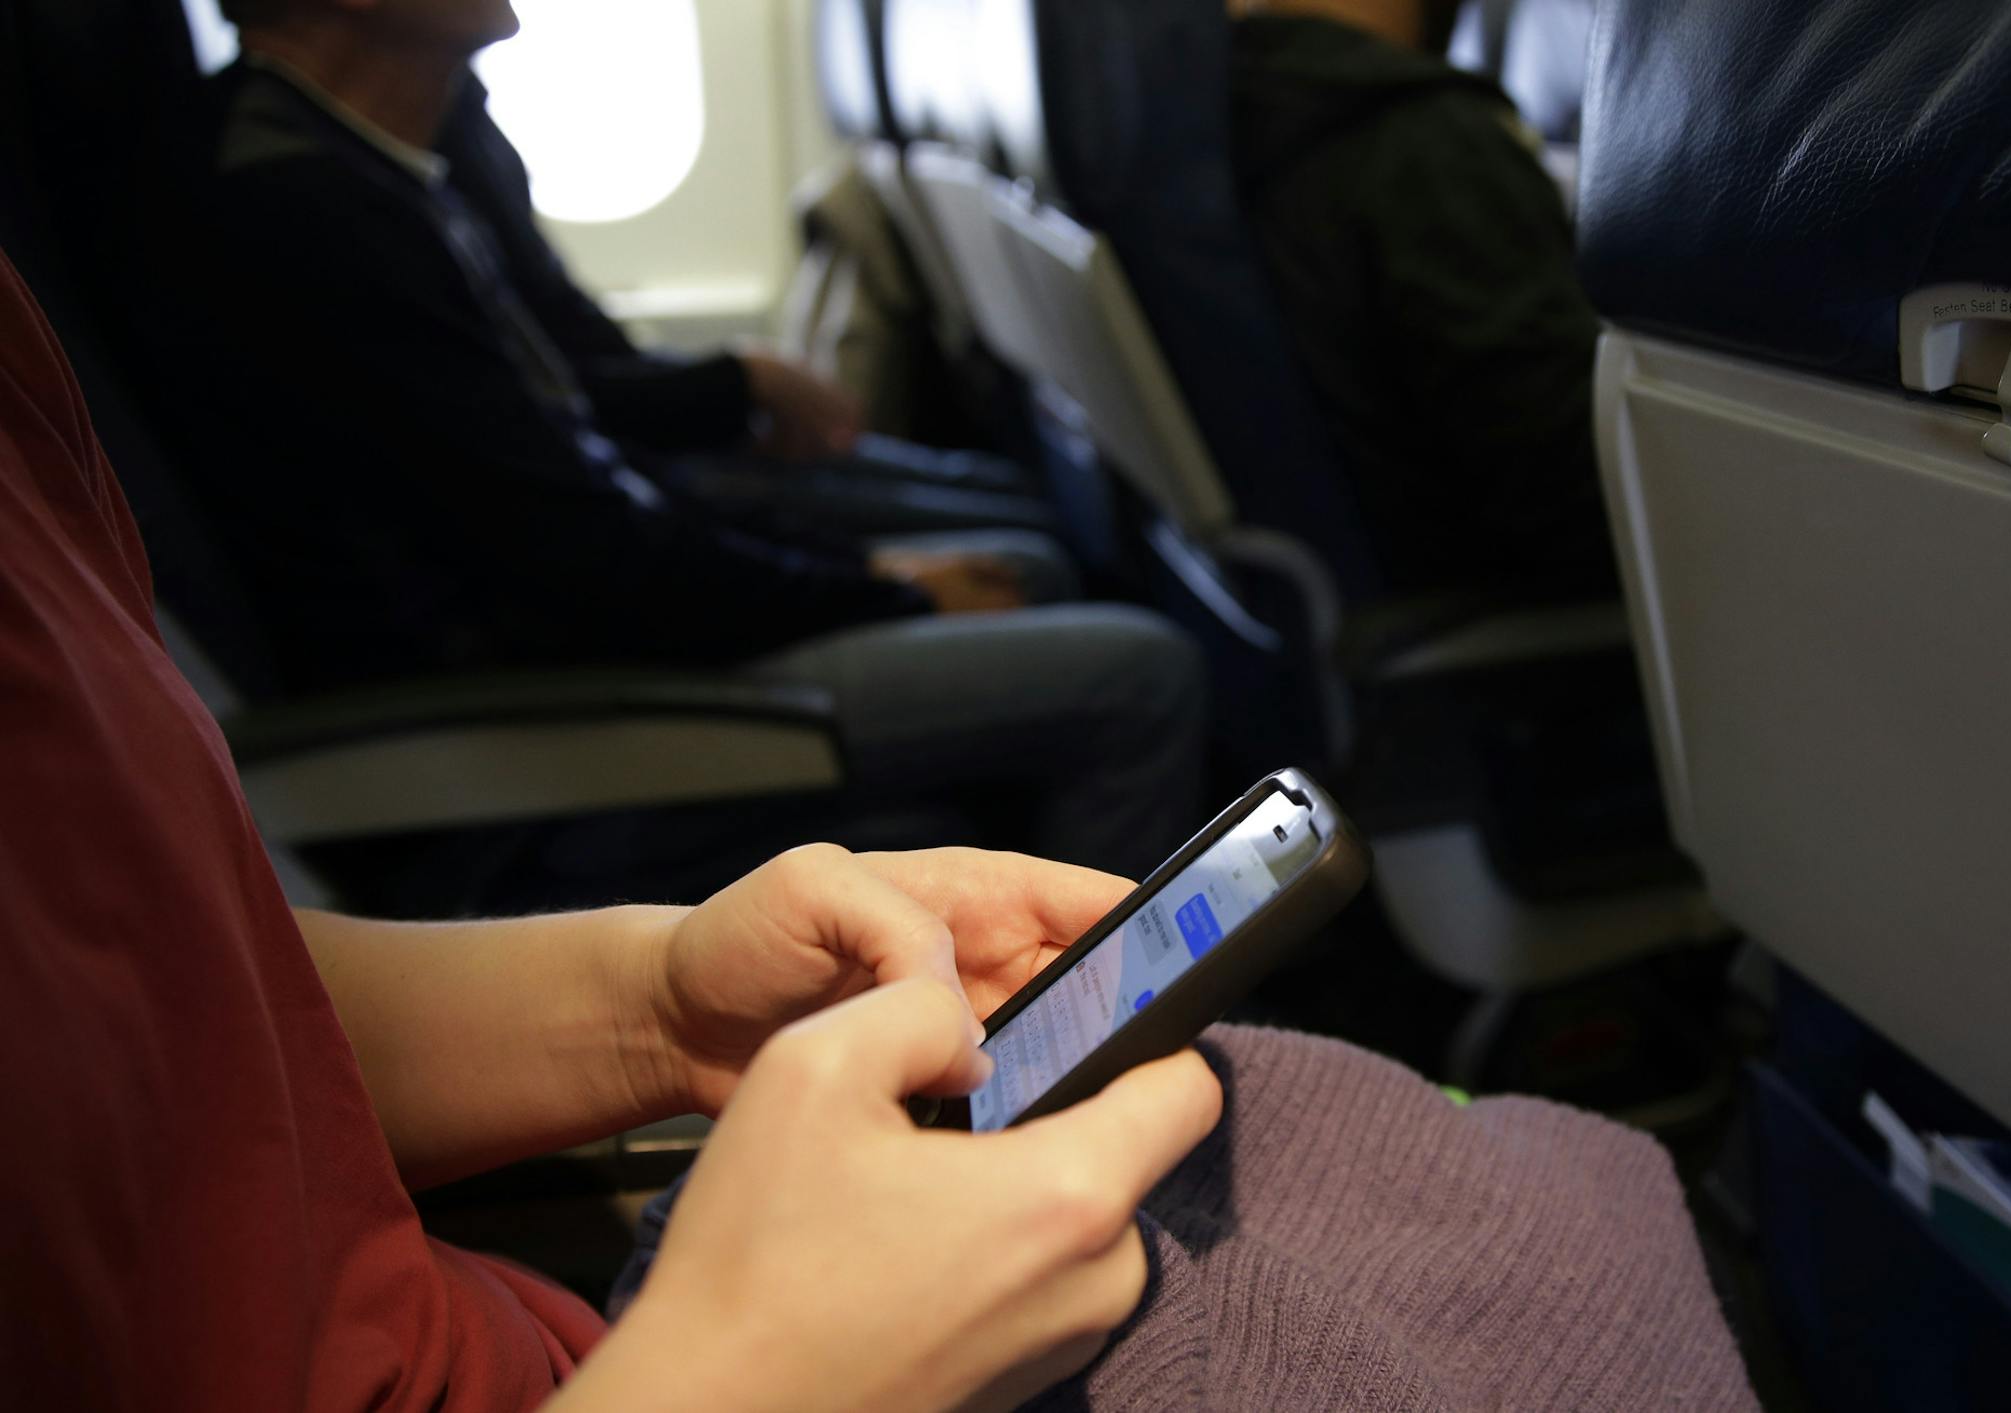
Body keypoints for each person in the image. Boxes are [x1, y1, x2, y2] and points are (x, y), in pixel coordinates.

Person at [1, 243, 1758, 1411]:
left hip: (548, 1330)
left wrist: (658, 1002)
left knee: (1498, 1191)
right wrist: (751, 1379)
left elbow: (141, 990)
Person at [115, 0, 1211, 886]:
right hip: (537, 716)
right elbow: (580, 558)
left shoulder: (367, 157)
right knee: (1142, 677)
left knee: (1023, 575)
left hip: (582, 637)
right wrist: (892, 593)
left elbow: (567, 465)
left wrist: (861, 571)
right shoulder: (302, 210)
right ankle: (1066, 1076)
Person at [1226, 0, 1618, 606]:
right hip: (1515, 626)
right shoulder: (1424, 144)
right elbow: (1577, 492)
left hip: (1353, 589)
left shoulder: (1227, 112)